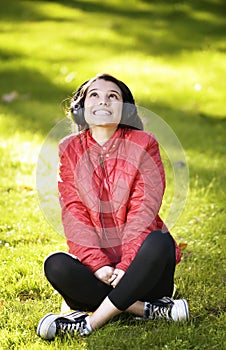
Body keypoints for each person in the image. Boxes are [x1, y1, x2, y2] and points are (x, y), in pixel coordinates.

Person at [37, 73, 189, 340]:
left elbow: (144, 211)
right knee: (56, 264)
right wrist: (97, 266)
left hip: (145, 271)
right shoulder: (69, 149)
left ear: (125, 108)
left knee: (159, 241)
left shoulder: (145, 144)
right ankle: (146, 311)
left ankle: (90, 322)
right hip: (101, 275)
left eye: (113, 96)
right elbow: (74, 214)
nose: (103, 101)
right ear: (81, 108)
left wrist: (126, 266)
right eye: (94, 95)